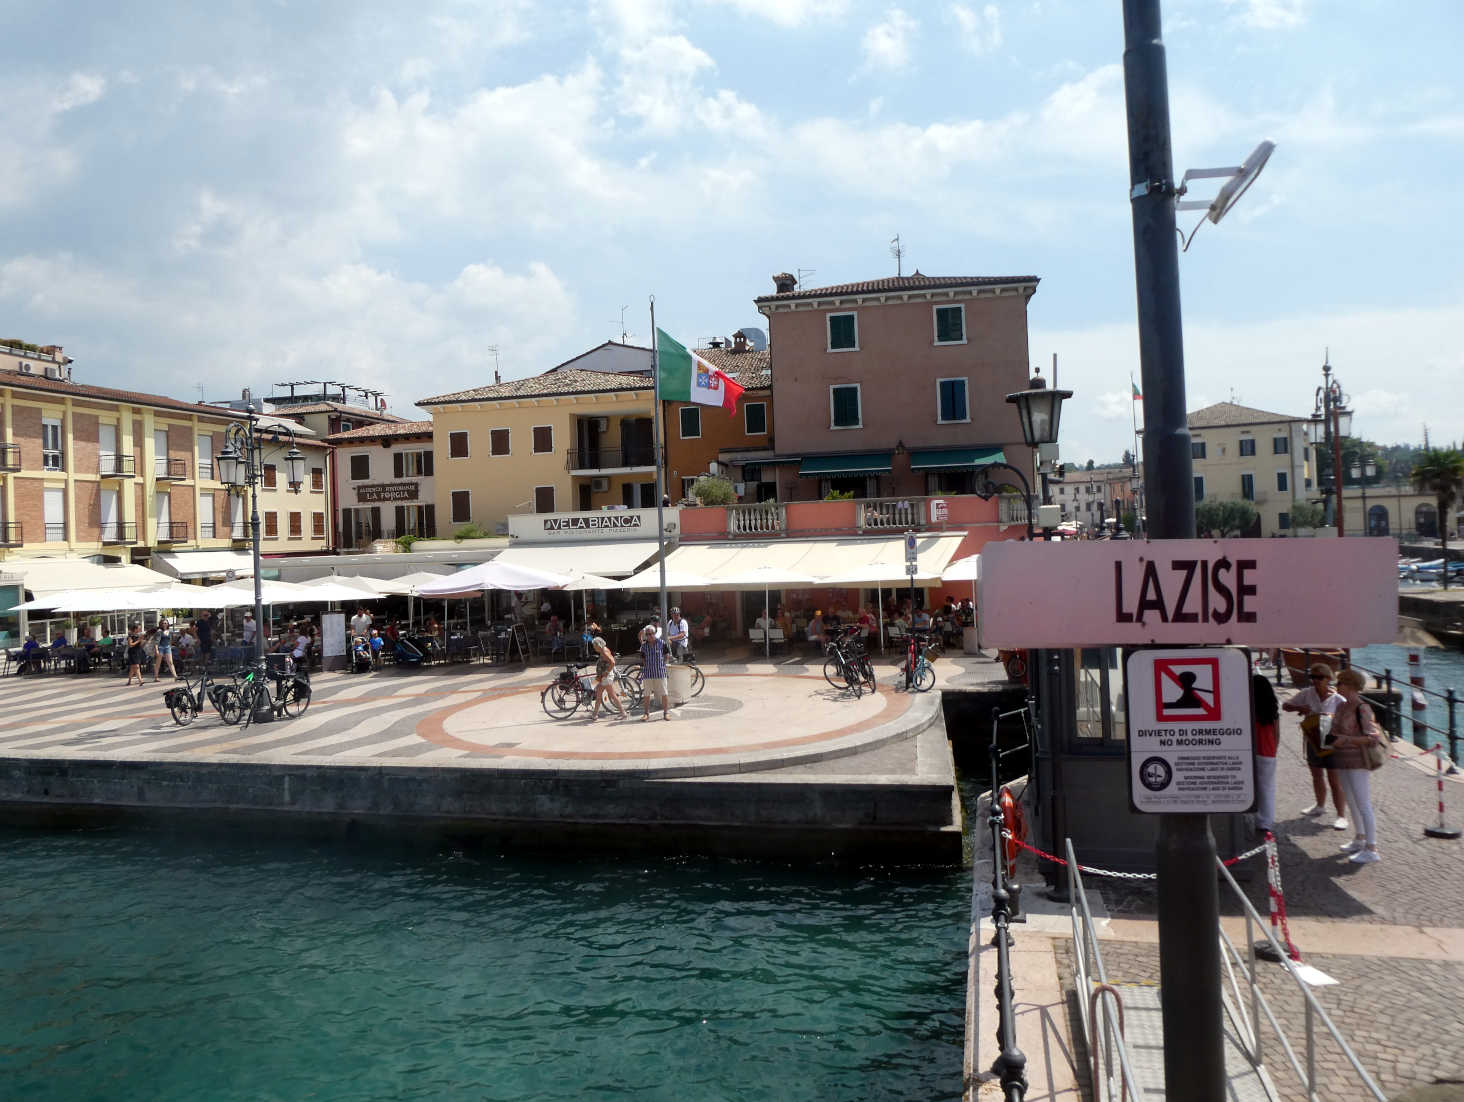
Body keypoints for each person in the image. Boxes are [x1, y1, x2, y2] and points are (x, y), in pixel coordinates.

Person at [1282, 662, 1349, 830]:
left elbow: (1349, 720)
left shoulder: (1339, 699)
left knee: (1334, 779)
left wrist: (1332, 718)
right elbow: (1285, 705)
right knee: (1316, 775)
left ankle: (1341, 816)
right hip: (1312, 738)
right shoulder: (1307, 693)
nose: (1316, 681)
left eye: (1320, 677)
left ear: (1328, 679)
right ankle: (1320, 805)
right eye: (1313, 677)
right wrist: (1300, 707)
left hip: (1331, 741)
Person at [1329, 668, 1386, 863]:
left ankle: (1372, 847)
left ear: (1350, 685)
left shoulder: (1362, 708)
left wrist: (1346, 739)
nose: (1337, 687)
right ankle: (1359, 838)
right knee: (1351, 801)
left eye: (1340, 684)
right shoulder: (1341, 706)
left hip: (1358, 761)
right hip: (1342, 759)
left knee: (1363, 802)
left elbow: (1372, 738)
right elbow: (1334, 730)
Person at [1251, 670, 1280, 833]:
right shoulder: (1272, 710)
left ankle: (1253, 816)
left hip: (1252, 751)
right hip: (1268, 752)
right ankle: (1265, 821)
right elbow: (1277, 734)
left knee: (1252, 787)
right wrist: (1274, 749)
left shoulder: (1249, 709)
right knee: (1267, 788)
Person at [586, 623, 627, 721]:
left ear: (598, 645)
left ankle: (623, 713)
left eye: (595, 646)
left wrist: (607, 672)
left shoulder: (604, 652)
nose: (594, 648)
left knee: (611, 695)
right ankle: (595, 714)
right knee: (599, 694)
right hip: (603, 676)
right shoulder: (603, 650)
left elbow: (612, 662)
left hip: (606, 677)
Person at [638, 624, 671, 722]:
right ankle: (646, 713)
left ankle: (666, 713)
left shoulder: (662, 643)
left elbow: (666, 655)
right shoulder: (643, 646)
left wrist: (662, 665)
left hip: (660, 672)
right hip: (648, 673)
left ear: (654, 633)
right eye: (647, 634)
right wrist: (646, 667)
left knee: (664, 693)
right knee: (647, 694)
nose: (649, 636)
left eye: (651, 634)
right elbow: (643, 658)